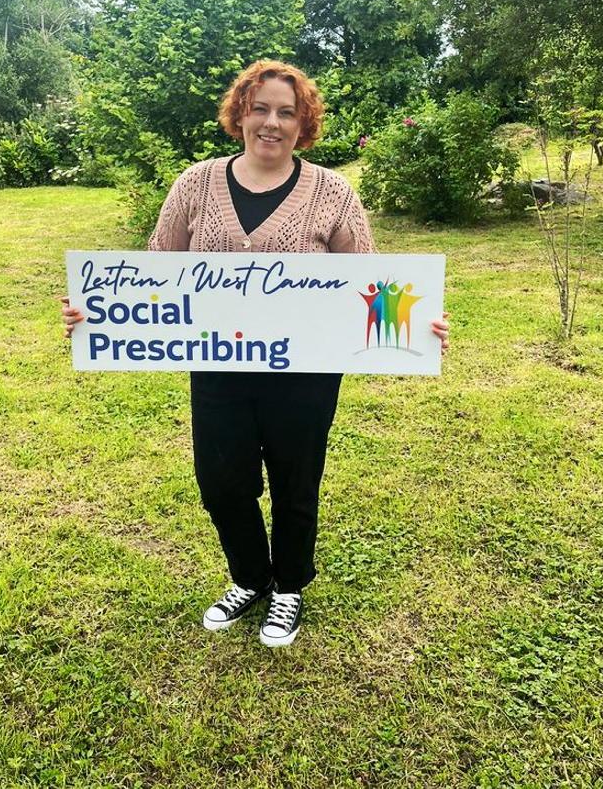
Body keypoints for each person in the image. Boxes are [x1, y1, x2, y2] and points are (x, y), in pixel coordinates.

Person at [62, 59, 450, 647]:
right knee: (221, 482)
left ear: (303, 124)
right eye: (260, 108)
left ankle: (288, 586)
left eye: (287, 113)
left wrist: (419, 324)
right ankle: (249, 577)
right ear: (240, 113)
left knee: (297, 480)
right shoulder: (195, 184)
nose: (272, 122)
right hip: (218, 364)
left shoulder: (333, 193)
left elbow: (370, 279)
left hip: (304, 372)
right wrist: (97, 309)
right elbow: (155, 269)